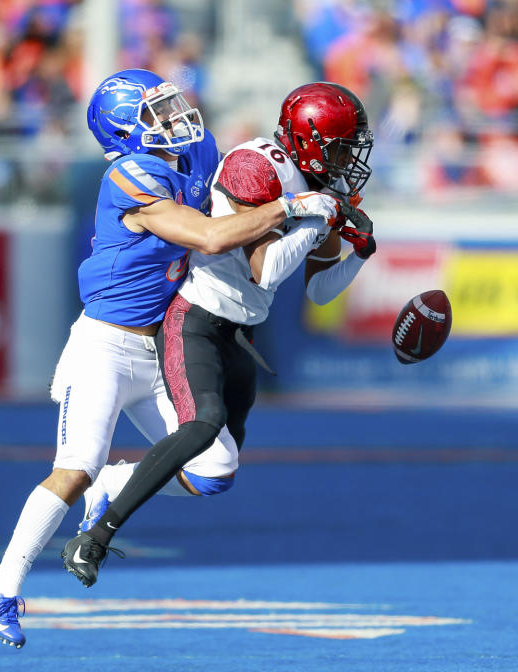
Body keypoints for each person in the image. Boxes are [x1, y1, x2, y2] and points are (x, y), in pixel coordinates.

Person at [0, 69, 339, 649]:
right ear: (125, 130)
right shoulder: (129, 174)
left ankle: (113, 487)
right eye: (155, 113)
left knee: (214, 471)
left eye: (169, 106)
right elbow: (212, 237)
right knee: (75, 468)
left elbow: (238, 210)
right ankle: (1, 591)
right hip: (105, 345)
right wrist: (294, 207)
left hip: (161, 341)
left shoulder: (197, 153)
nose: (174, 118)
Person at [62, 82, 377, 588]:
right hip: (196, 316)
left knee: (216, 473)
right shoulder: (259, 166)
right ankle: (97, 534)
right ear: (312, 138)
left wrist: (359, 252)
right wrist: (313, 215)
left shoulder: (320, 185)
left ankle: (113, 481)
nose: (346, 159)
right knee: (204, 423)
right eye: (340, 145)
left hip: (240, 332)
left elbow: (319, 291)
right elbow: (267, 271)